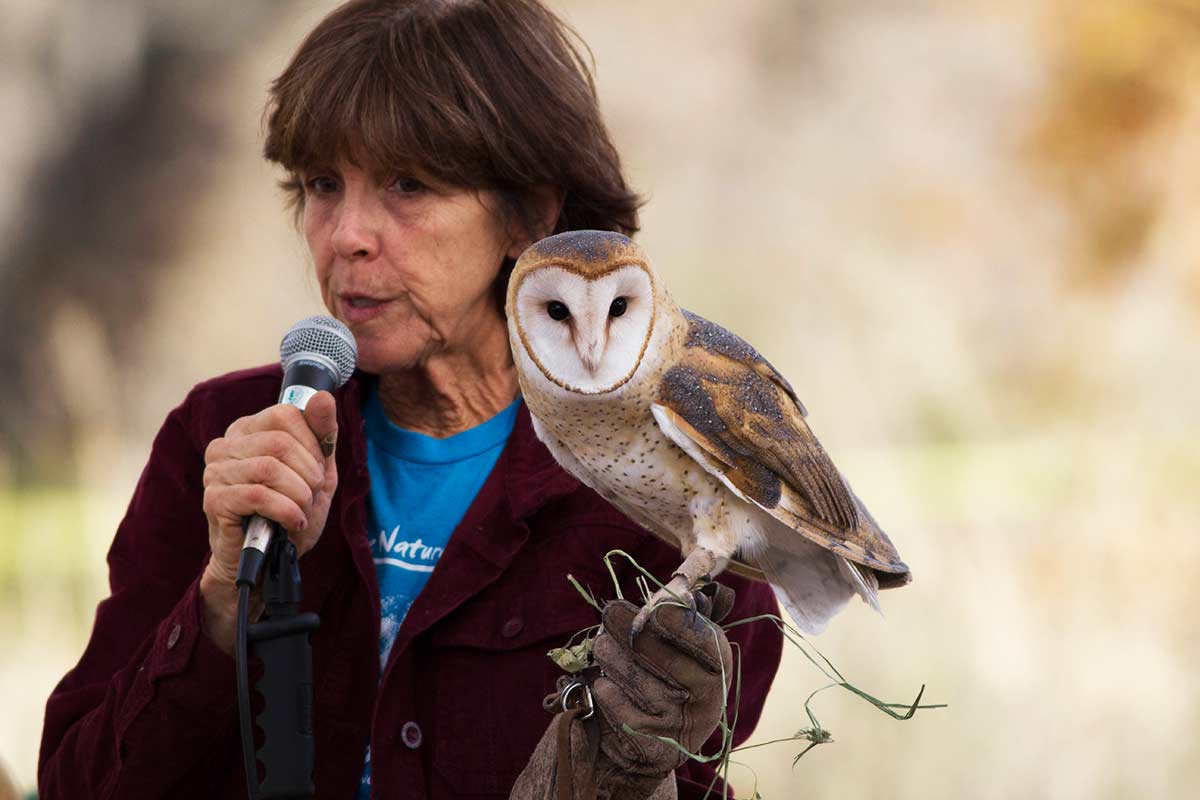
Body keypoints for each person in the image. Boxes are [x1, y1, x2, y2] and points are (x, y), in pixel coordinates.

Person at [38, 1, 783, 798]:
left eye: (409, 185)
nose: (346, 235)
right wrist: (223, 597)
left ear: (529, 215)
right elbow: (77, 784)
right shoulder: (223, 440)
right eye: (323, 184)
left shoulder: (664, 486)